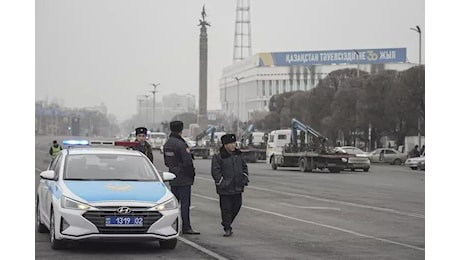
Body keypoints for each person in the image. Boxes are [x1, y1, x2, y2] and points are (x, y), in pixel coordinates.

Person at [163, 120, 200, 235]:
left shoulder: (167, 143)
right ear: (181, 130)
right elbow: (187, 162)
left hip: (172, 176)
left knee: (173, 204)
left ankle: (169, 225)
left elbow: (166, 162)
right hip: (183, 178)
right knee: (185, 205)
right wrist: (191, 174)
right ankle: (186, 227)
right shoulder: (180, 144)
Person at [211, 133, 249, 237]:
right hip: (225, 189)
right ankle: (227, 227)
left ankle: (227, 222)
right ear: (225, 145)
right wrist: (221, 183)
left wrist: (244, 178)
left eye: (234, 143)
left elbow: (244, 168)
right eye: (230, 143)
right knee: (226, 209)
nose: (233, 145)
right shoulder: (218, 157)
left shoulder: (238, 155)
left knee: (237, 206)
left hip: (237, 187)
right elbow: (216, 172)